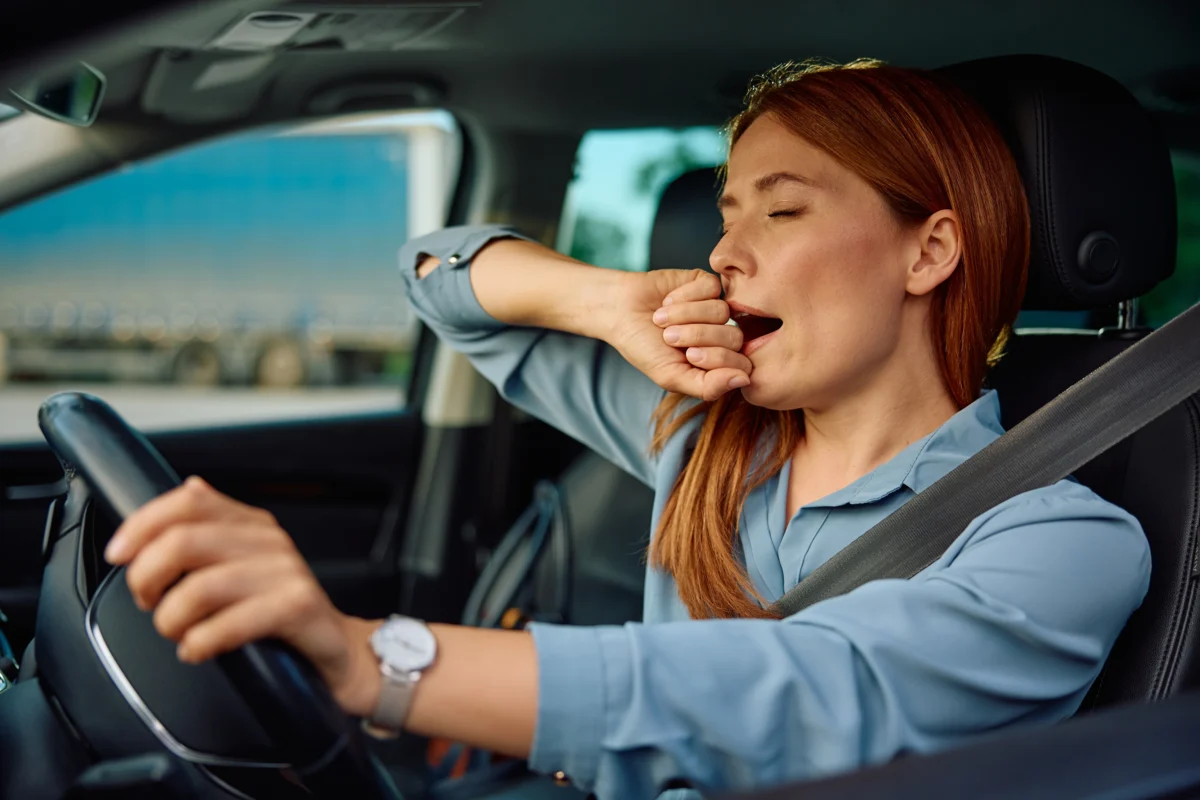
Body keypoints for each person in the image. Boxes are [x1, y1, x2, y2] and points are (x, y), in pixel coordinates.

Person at [103, 60, 1151, 799]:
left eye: (780, 212)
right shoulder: (702, 433)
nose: (724, 253)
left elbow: (814, 695)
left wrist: (379, 658)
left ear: (928, 253)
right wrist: (607, 302)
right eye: (726, 214)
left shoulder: (1064, 542)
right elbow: (435, 275)